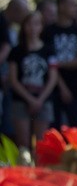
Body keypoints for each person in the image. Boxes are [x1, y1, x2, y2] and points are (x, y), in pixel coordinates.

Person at [43, 0, 77, 138]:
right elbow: (48, 63)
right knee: (54, 135)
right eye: (72, 5)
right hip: (54, 90)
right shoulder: (48, 32)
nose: (75, 8)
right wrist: (61, 84)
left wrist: (58, 64)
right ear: (61, 6)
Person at [7, 11, 58, 149]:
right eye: (29, 24)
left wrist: (39, 100)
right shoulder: (16, 51)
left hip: (44, 100)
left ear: (41, 26)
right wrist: (30, 99)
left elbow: (53, 78)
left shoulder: (49, 50)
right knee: (23, 143)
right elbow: (13, 79)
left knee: (41, 144)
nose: (32, 28)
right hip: (20, 100)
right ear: (23, 26)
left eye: (36, 24)